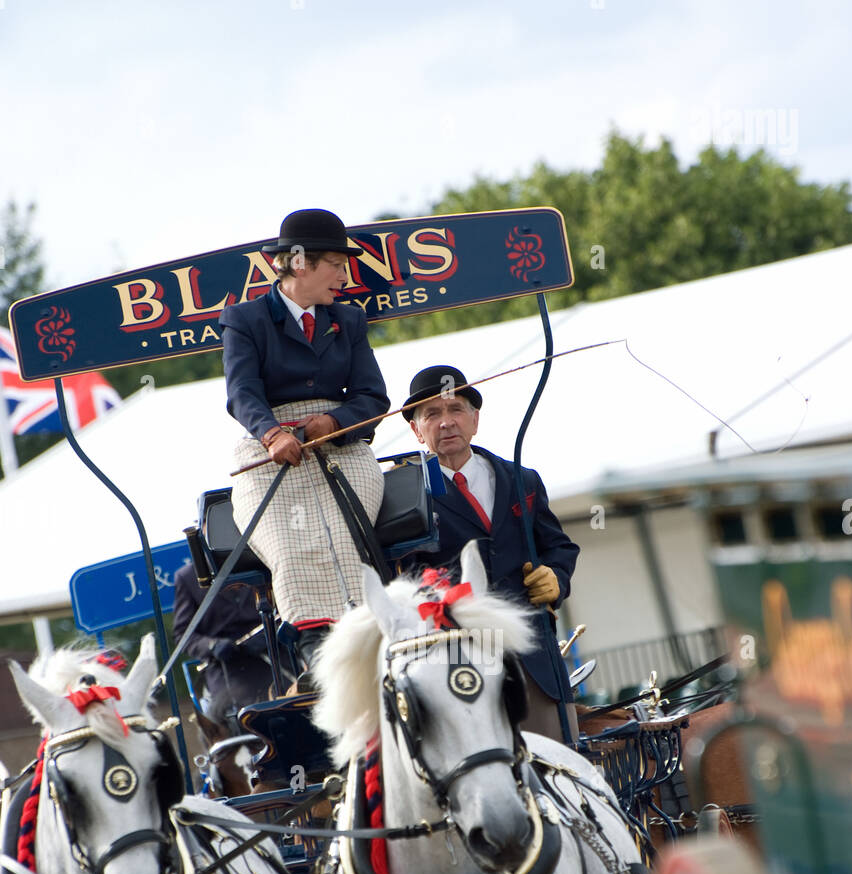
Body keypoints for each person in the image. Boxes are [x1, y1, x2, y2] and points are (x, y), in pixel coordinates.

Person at [219, 208, 389, 674]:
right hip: (268, 447)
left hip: (341, 445)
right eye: (336, 264)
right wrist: (273, 433)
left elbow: (372, 396)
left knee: (348, 534)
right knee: (292, 548)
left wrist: (334, 422)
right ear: (299, 263)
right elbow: (242, 394)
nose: (344, 274)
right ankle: (316, 653)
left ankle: (370, 634)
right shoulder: (244, 319)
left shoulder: (349, 321)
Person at [403, 364, 580, 742]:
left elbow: (559, 547)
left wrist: (556, 579)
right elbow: (404, 580)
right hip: (459, 669)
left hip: (535, 661)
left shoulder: (522, 479)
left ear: (475, 419)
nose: (446, 422)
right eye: (431, 414)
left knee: (562, 774)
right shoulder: (404, 499)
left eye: (456, 410)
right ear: (416, 430)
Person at [172, 561, 272, 726]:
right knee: (229, 716)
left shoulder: (257, 559)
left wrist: (270, 631)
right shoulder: (187, 577)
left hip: (272, 654)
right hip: (226, 665)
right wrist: (212, 645)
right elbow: (183, 635)